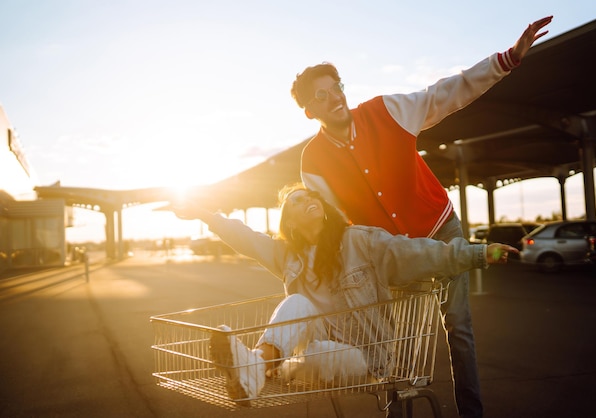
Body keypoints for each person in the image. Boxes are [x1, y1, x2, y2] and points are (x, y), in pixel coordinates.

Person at [290, 16, 553, 418]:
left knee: (458, 328)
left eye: (337, 87)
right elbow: (330, 225)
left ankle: (472, 413)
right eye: (322, 96)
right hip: (398, 253)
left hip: (441, 228)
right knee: (404, 344)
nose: (336, 98)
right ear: (310, 111)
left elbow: (445, 93)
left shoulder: (387, 110)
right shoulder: (312, 162)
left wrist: (507, 59)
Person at [173, 183, 518, 406]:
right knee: (297, 303)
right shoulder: (289, 257)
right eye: (296, 202)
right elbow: (244, 237)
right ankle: (255, 368)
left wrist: (476, 253)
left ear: (321, 205)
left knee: (315, 353)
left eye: (310, 196)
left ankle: (253, 367)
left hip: (365, 356)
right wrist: (203, 213)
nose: (307, 201)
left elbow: (418, 253)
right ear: (289, 222)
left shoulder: (361, 241)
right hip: (316, 349)